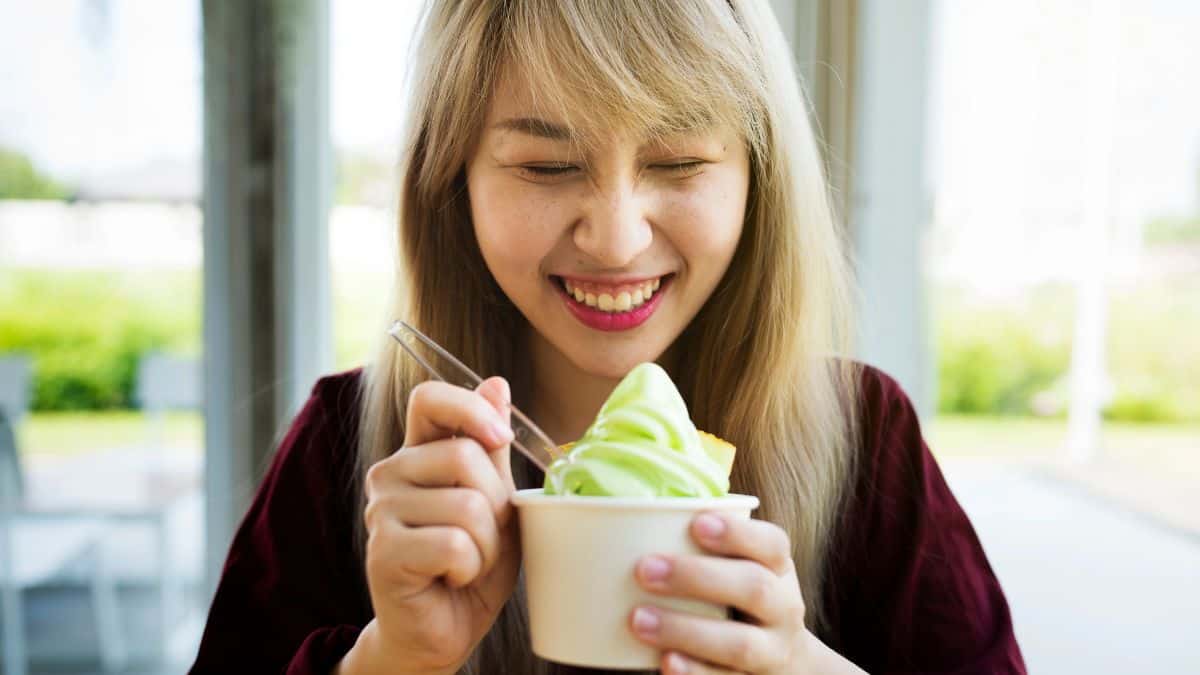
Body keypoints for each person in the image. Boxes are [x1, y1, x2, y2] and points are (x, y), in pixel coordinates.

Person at [191, 1, 1026, 673]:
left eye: (678, 161)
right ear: (452, 182)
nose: (618, 240)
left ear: (758, 175)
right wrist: (393, 659)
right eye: (546, 166)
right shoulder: (349, 448)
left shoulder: (864, 439)